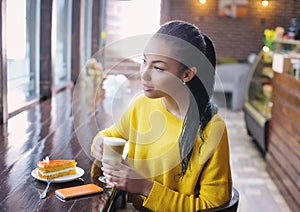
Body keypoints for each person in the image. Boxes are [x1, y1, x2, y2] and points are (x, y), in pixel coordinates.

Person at [91, 20, 232, 211]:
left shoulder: (211, 128)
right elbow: (111, 135)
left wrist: (143, 187)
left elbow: (212, 206)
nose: (144, 74)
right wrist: (100, 143)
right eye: (144, 61)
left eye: (158, 68)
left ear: (187, 75)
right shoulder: (142, 104)